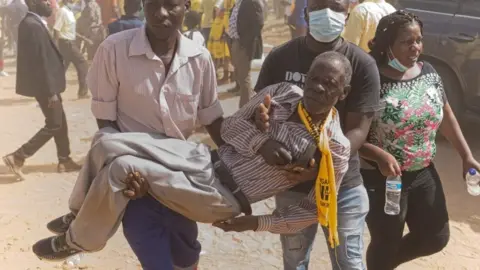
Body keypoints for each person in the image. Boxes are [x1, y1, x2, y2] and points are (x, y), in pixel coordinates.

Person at [32, 51, 352, 266]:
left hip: (223, 196)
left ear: (344, 92)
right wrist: (261, 142)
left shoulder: (332, 146)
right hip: (203, 160)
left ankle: (79, 241)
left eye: (330, 84)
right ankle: (77, 213)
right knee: (107, 141)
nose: (318, 88)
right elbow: (230, 127)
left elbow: (314, 210)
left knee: (122, 168)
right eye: (314, 78)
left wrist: (258, 223)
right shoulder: (285, 93)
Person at [31, 0, 224, 268]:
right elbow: (106, 120)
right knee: (106, 145)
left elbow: (212, 120)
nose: (161, 14)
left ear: (187, 5)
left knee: (187, 257)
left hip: (180, 178)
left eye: (171, 5)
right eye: (153, 5)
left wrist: (249, 143)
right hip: (136, 185)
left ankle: (79, 216)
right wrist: (134, 174)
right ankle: (78, 232)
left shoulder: (199, 59)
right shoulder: (114, 50)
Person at [253, 0, 382, 269]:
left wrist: (321, 165)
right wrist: (264, 138)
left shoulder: (362, 65)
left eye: (335, 6)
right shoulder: (280, 58)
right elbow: (257, 112)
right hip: (291, 185)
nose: (327, 13)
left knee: (349, 264)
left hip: (342, 186)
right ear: (306, 11)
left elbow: (358, 129)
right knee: (295, 262)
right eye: (320, 5)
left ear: (347, 14)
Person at [359, 10, 480, 270]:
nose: (415, 48)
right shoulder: (372, 80)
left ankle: (382, 265)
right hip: (383, 178)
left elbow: (446, 115)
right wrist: (379, 155)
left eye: (419, 40)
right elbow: (352, 133)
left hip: (423, 171)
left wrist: (466, 155)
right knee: (386, 239)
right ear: (387, 44)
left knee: (435, 237)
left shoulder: (429, 72)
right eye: (406, 42)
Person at [2, 0, 81, 179]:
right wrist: (51, 90)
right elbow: (41, 61)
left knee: (60, 120)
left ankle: (64, 159)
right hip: (45, 86)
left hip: (47, 84)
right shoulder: (32, 25)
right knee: (54, 123)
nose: (50, 4)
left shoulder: (34, 22)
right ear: (35, 3)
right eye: (45, 1)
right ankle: (18, 157)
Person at [228, 0, 264, 107]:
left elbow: (259, 23)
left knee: (244, 78)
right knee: (239, 74)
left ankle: (245, 110)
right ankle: (252, 103)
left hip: (244, 44)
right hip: (235, 41)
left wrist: (246, 41)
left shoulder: (251, 2)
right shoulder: (238, 2)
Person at [53, 0, 89, 99]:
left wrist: (83, 38)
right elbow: (57, 29)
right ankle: (83, 92)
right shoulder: (63, 11)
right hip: (66, 44)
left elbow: (69, 29)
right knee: (82, 64)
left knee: (61, 69)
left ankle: (52, 92)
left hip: (69, 42)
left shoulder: (69, 12)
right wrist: (55, 46)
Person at [207, 0, 235, 85]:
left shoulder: (225, 20)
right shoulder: (216, 20)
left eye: (219, 10)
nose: (217, 12)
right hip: (217, 44)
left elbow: (226, 31)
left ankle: (229, 76)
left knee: (227, 60)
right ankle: (225, 76)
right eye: (216, 11)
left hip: (224, 43)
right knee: (221, 61)